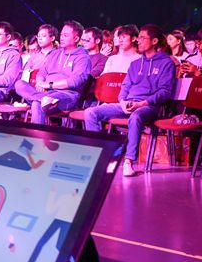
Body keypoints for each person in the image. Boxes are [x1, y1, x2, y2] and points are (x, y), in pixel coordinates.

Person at [84, 24, 176, 177]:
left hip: (149, 106)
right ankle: (99, 155)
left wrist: (142, 103)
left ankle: (129, 161)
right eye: (138, 38)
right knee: (90, 112)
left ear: (154, 41)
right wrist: (122, 101)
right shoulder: (136, 64)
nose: (139, 41)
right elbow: (125, 86)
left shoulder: (166, 63)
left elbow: (165, 91)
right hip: (127, 103)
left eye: (143, 38)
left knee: (135, 116)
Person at [14, 20, 91, 124]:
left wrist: (49, 85)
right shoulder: (55, 54)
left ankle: (36, 133)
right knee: (19, 84)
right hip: (46, 93)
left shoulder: (83, 57)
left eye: (65, 35)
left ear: (76, 39)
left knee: (37, 103)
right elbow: (42, 72)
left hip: (66, 95)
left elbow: (75, 81)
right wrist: (40, 82)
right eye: (61, 34)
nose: (62, 37)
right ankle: (42, 99)